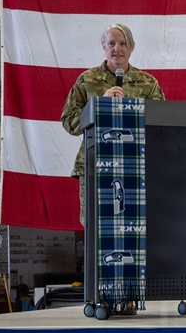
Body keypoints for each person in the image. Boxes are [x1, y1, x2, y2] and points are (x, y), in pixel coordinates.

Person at [60, 24, 165, 225]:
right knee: (94, 223)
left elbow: (161, 123)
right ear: (104, 46)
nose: (117, 49)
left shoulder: (148, 83)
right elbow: (68, 121)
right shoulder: (87, 80)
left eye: (123, 43)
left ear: (131, 47)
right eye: (112, 43)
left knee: (134, 221)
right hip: (95, 162)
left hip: (135, 164)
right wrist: (99, 105)